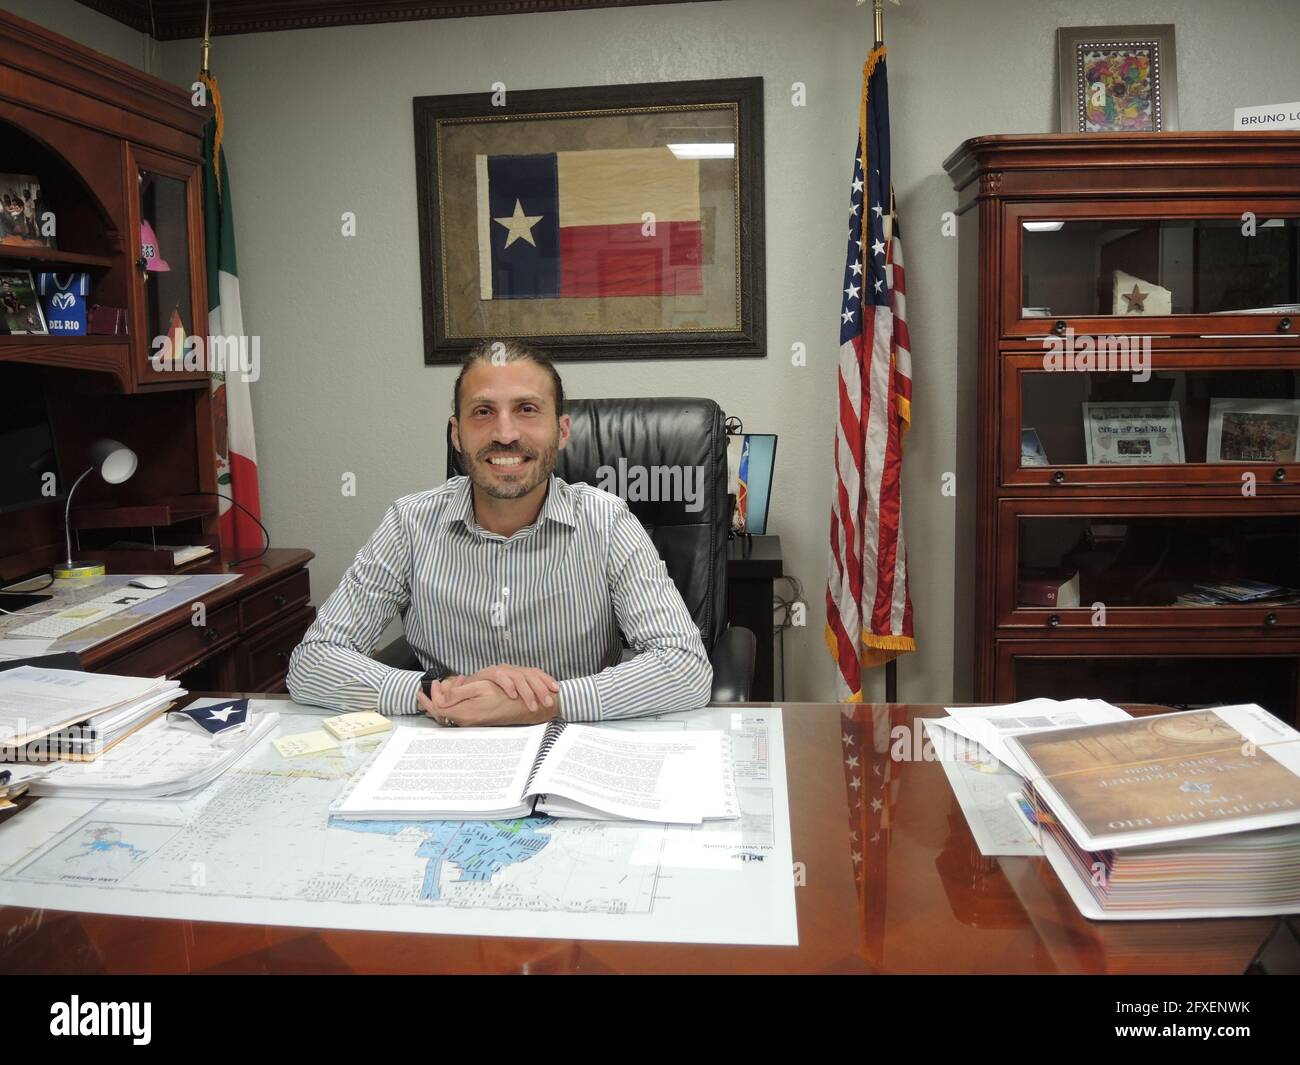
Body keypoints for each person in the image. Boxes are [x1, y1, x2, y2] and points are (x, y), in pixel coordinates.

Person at [287, 338, 712, 726]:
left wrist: (547, 702)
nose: (505, 434)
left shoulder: (607, 523)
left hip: (573, 744)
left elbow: (685, 667)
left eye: (527, 410)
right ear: (457, 434)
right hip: (446, 743)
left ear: (561, 431)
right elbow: (312, 662)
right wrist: (436, 692)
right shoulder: (408, 524)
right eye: (483, 412)